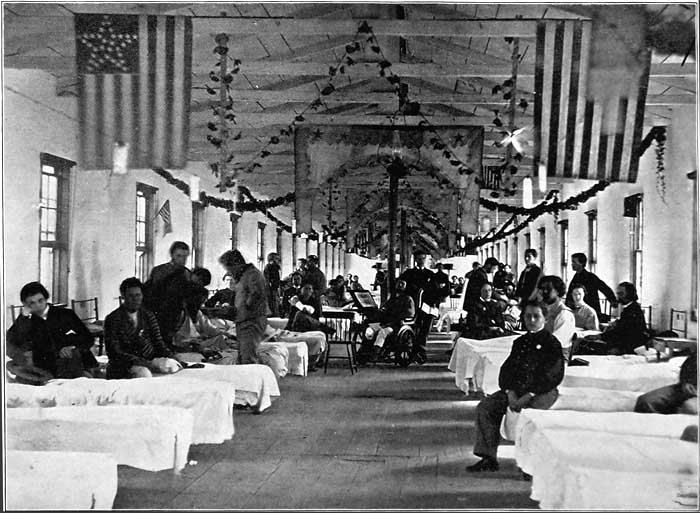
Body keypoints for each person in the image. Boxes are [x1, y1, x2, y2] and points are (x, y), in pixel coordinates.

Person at [467, 301, 565, 472]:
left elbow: (552, 375)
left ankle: (529, 465)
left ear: (545, 319)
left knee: (530, 416)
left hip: (542, 391)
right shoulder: (520, 342)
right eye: (528, 316)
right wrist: (509, 392)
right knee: (485, 408)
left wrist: (529, 395)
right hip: (516, 391)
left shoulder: (552, 343)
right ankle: (488, 457)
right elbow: (507, 370)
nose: (532, 320)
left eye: (536, 316)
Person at [6, 281, 97, 379]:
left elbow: (88, 338)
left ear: (46, 298)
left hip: (71, 363)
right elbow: (11, 340)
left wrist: (72, 347)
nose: (38, 305)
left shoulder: (65, 314)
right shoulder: (27, 320)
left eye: (40, 300)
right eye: (32, 303)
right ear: (26, 305)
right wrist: (23, 316)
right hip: (45, 367)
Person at [104, 277, 181, 379]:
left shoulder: (148, 315)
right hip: (122, 366)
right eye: (130, 296)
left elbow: (158, 342)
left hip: (148, 362)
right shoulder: (113, 319)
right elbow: (114, 352)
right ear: (123, 296)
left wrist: (173, 358)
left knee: (175, 369)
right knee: (143, 373)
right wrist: (146, 363)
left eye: (138, 295)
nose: (135, 299)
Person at [219, 249, 269, 364]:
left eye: (228, 267)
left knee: (248, 357)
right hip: (244, 320)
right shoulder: (244, 276)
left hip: (250, 321)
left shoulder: (253, 274)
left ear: (236, 264)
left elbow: (256, 294)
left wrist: (244, 308)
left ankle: (252, 381)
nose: (228, 271)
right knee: (243, 356)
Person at [582, 282, 647, 355]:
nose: (618, 296)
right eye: (618, 294)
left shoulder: (633, 310)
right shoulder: (630, 308)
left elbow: (622, 331)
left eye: (621, 293)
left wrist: (600, 336)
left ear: (630, 294)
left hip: (631, 347)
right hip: (628, 343)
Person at [399, 250, 438, 364]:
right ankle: (413, 350)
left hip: (427, 306)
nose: (421, 261)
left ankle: (420, 349)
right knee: (414, 327)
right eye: (419, 259)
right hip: (413, 305)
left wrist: (433, 303)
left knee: (425, 328)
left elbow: (435, 291)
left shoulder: (430, 274)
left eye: (423, 259)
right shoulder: (408, 273)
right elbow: (403, 287)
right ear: (415, 259)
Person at [363, 279, 416, 361]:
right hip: (385, 322)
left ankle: (376, 353)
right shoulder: (393, 299)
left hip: (397, 325)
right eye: (398, 287)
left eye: (401, 287)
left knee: (383, 332)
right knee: (370, 329)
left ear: (405, 288)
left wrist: (394, 321)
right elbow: (385, 309)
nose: (399, 289)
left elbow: (410, 314)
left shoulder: (408, 299)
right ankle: (364, 351)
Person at [565, 253, 618, 321]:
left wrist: (612, 300)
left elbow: (603, 287)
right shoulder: (576, 277)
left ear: (581, 263)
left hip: (589, 308)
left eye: (574, 262)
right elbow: (570, 293)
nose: (572, 264)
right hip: (578, 310)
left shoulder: (590, 277)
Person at [537, 276, 576, 360]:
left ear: (558, 291)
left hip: (557, 359)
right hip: (543, 354)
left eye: (548, 289)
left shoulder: (565, 314)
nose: (544, 292)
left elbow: (555, 344)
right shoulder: (543, 310)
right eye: (542, 288)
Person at [263, 252, 282, 317]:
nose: (277, 260)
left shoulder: (277, 267)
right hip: (271, 289)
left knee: (276, 302)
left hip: (275, 288)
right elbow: (266, 278)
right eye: (276, 258)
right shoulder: (268, 267)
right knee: (272, 302)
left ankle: (276, 314)